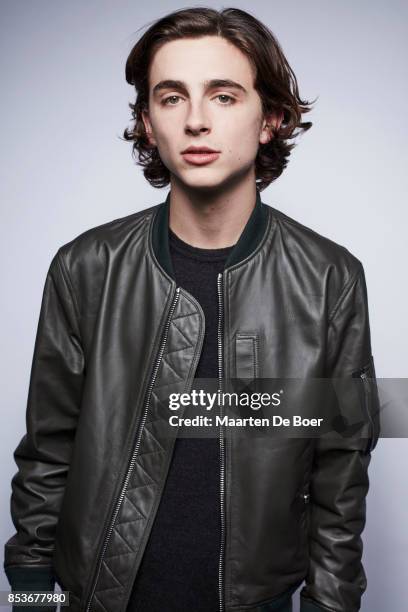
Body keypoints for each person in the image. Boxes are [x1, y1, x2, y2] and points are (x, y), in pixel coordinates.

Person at [4, 7, 380, 612]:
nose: (197, 121)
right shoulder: (85, 267)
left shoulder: (329, 277)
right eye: (172, 97)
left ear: (271, 118)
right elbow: (49, 452)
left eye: (225, 96)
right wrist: (29, 602)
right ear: (148, 123)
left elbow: (340, 469)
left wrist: (329, 605)